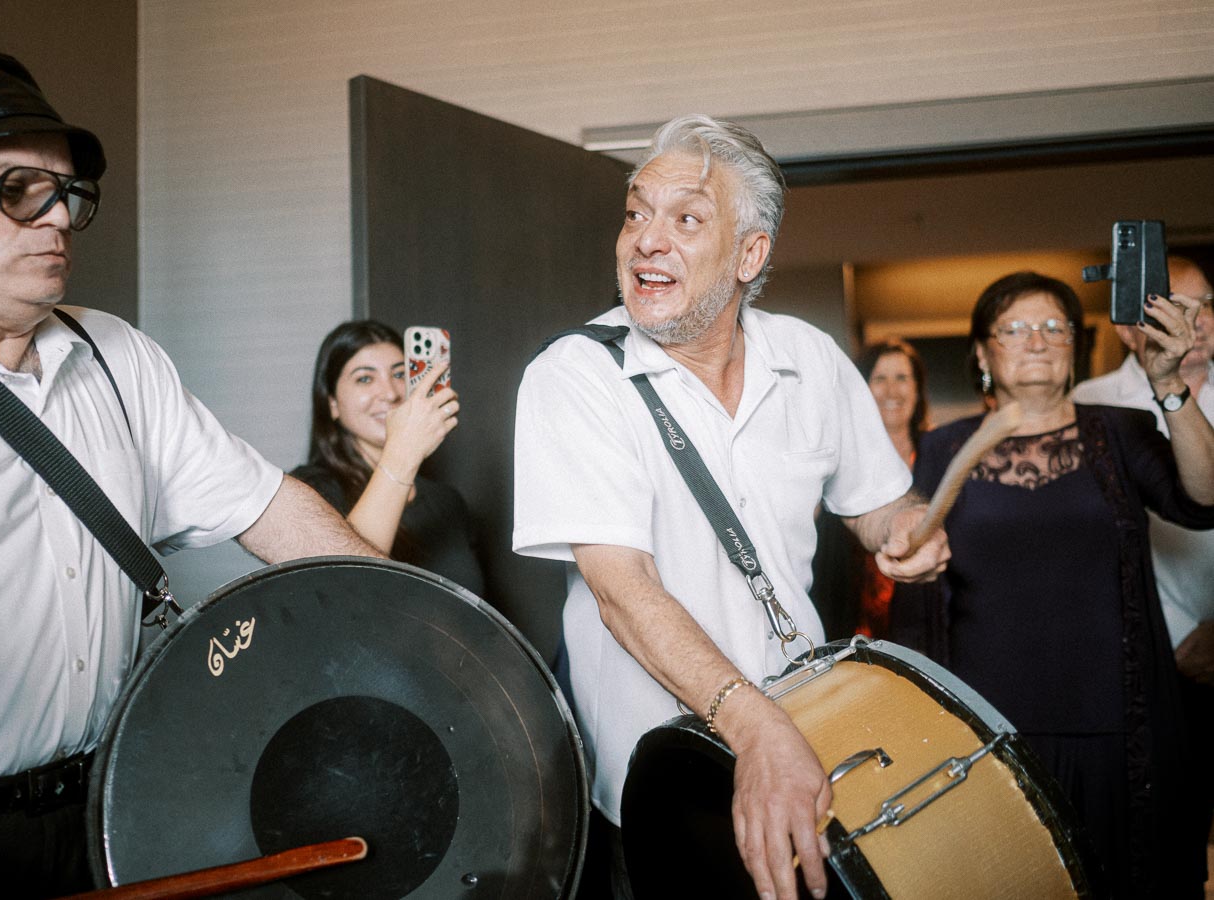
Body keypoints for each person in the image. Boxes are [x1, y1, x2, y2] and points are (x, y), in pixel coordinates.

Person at [0, 52, 381, 898]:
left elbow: (270, 506)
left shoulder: (117, 355)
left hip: (125, 805)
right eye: (17, 187)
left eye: (67, 192)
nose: (58, 217)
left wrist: (417, 636)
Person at [512, 114, 949, 900]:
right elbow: (622, 590)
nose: (645, 239)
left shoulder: (809, 359)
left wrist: (904, 531)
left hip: (808, 737)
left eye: (685, 218)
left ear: (751, 254)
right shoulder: (574, 377)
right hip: (659, 776)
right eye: (637, 211)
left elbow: (879, 505)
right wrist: (755, 729)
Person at [890, 271, 1214, 897]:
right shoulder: (942, 447)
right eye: (1013, 328)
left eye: (1052, 327)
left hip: (1119, 733)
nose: (1035, 340)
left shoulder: (1119, 431)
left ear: (1074, 344)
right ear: (983, 355)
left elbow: (1204, 501)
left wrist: (1169, 386)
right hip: (989, 735)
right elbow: (917, 594)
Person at [1071, 255, 1214, 878]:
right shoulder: (1089, 406)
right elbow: (1086, 553)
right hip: (1151, 661)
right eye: (1175, 307)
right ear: (1130, 327)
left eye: (1205, 303)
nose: (1198, 321)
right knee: (1167, 839)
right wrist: (1177, 638)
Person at [289, 319, 484, 595]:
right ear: (332, 404)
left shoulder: (448, 502)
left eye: (400, 374)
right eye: (365, 379)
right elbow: (342, 587)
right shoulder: (309, 490)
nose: (391, 394)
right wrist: (403, 455)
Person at [811, 339, 931, 638]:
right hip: (850, 613)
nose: (892, 390)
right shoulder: (836, 457)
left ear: (917, 388)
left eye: (902, 378)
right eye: (880, 379)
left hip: (925, 614)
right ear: (862, 388)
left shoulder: (938, 454)